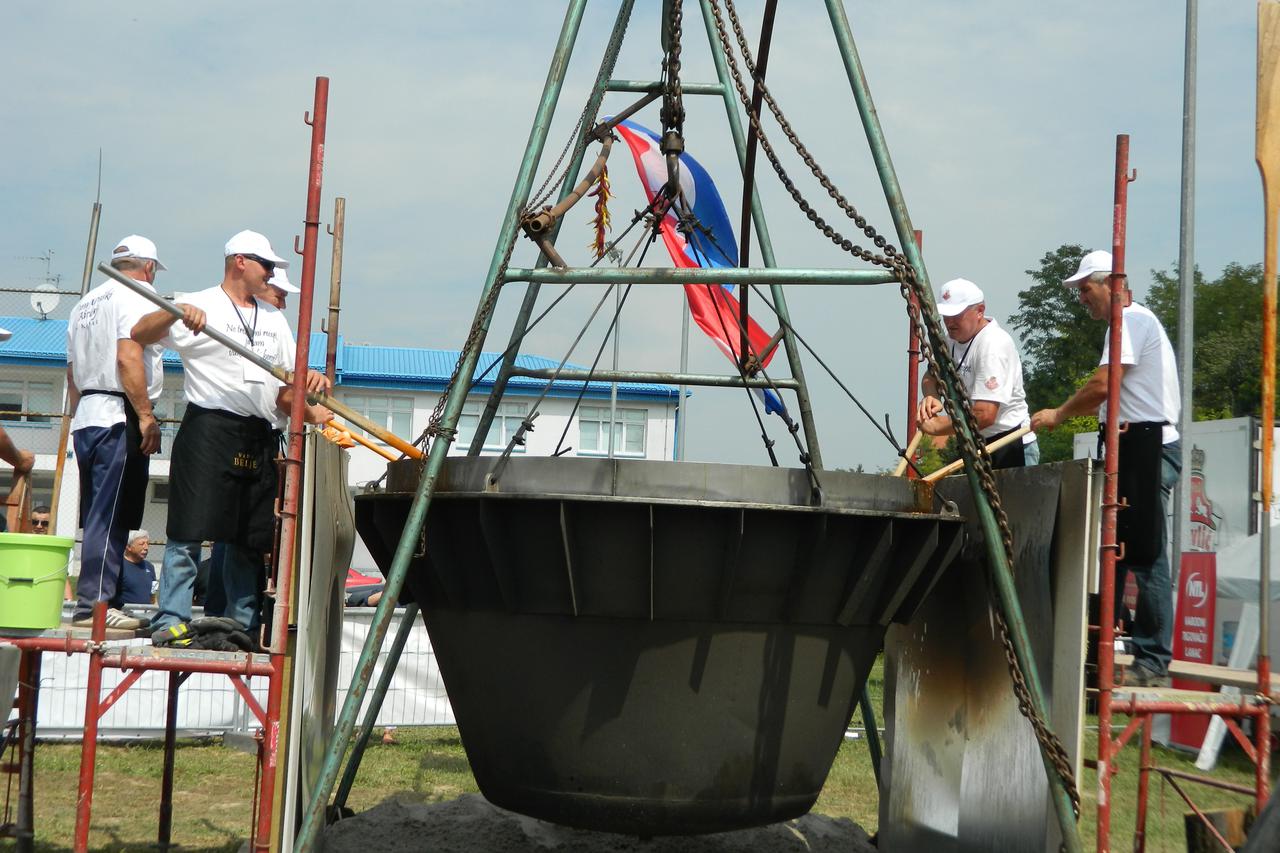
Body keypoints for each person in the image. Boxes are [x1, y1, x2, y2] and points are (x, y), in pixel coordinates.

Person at [134, 230, 331, 647]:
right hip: (210, 426)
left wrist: (311, 381)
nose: (272, 274)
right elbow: (140, 332)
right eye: (267, 265)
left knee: (247, 533)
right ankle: (170, 618)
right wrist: (174, 313)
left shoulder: (273, 317)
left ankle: (240, 624)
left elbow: (286, 381)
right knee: (188, 529)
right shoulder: (199, 302)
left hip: (257, 430)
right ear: (240, 261)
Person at [1031, 249, 1181, 687]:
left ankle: (1152, 660)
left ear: (1111, 284)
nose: (1082, 299)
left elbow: (1103, 384)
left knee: (1147, 553)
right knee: (1120, 549)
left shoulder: (1130, 322)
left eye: (1085, 289)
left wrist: (1058, 414)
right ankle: (1114, 643)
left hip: (1148, 443)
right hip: (1133, 442)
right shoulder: (1127, 323)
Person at [65, 235, 168, 630]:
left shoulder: (84, 304)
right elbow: (128, 356)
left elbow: (72, 372)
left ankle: (96, 601)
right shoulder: (137, 294)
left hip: (88, 413)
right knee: (111, 516)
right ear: (149, 268)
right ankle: (95, 606)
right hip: (117, 412)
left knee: (97, 515)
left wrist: (79, 416)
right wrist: (145, 415)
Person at [916, 278, 1038, 468]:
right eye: (946, 316)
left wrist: (938, 426)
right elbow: (931, 376)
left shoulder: (993, 345)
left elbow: (985, 414)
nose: (950, 322)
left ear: (980, 311)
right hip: (976, 441)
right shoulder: (950, 341)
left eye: (957, 315)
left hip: (1010, 442)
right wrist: (932, 397)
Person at [119, 529, 158, 605]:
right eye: (142, 544)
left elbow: (153, 593)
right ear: (128, 547)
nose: (146, 547)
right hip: (125, 613)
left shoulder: (150, 567)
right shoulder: (118, 566)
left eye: (148, 544)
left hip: (147, 613)